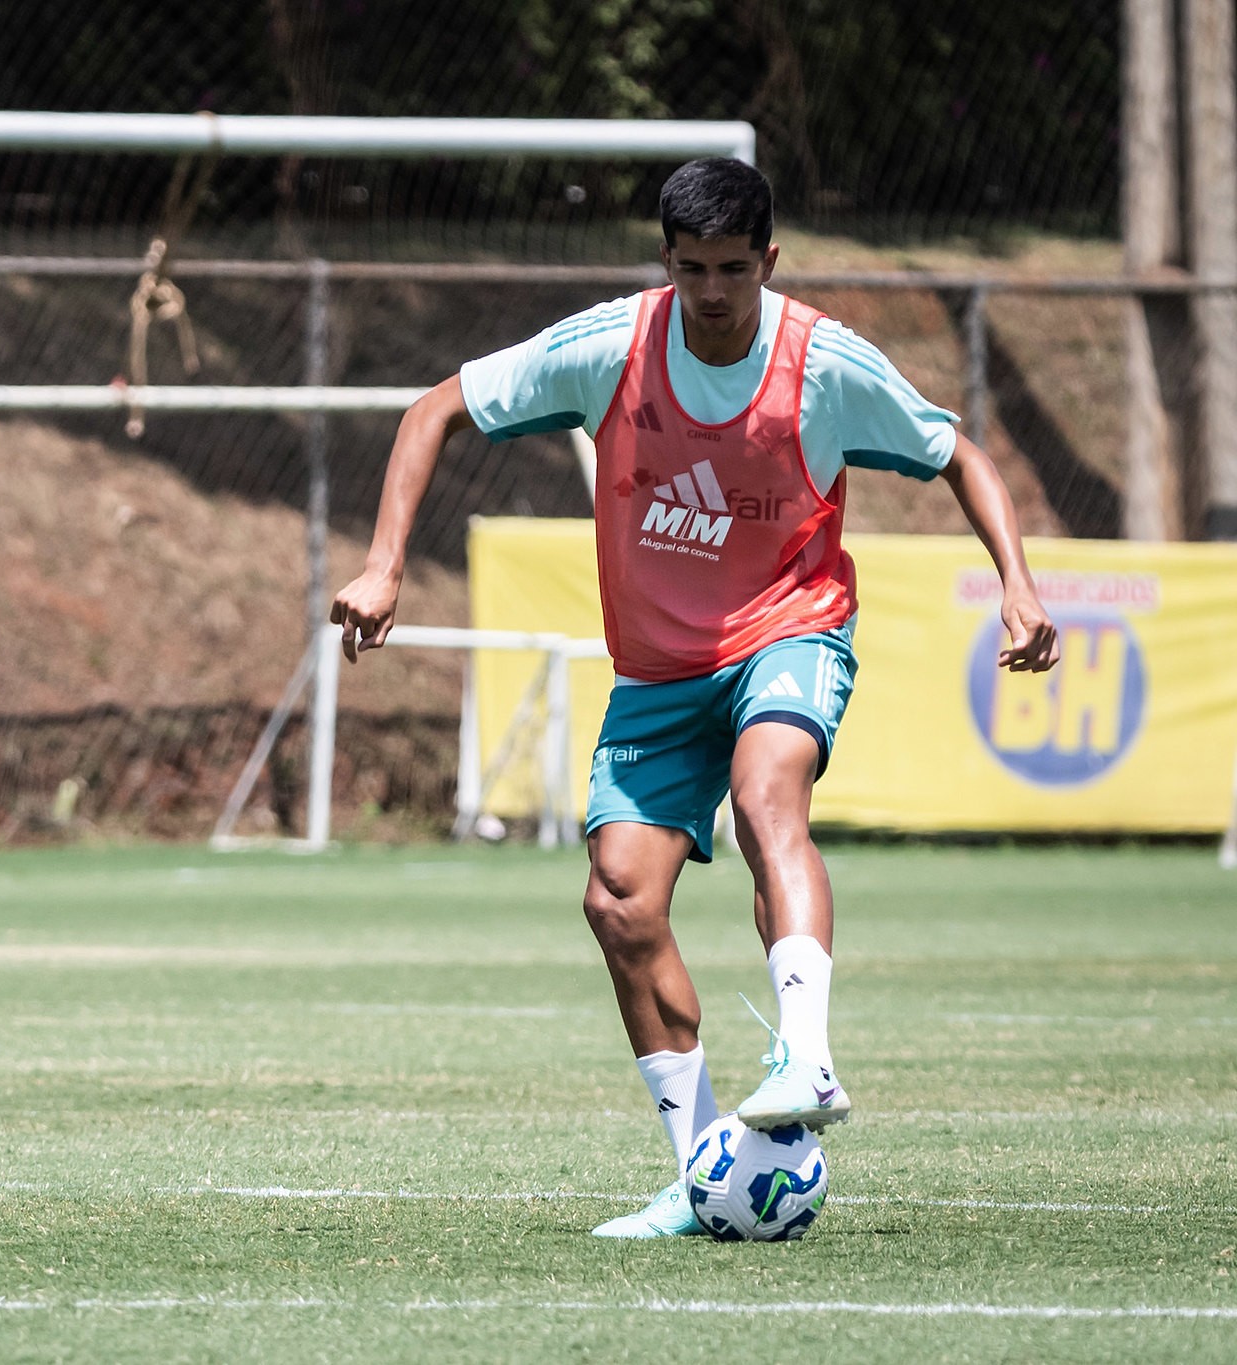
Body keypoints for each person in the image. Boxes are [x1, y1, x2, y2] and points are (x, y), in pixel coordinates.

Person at [329, 158, 1058, 1239]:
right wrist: (384, 564)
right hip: (659, 671)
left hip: (790, 629)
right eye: (691, 269)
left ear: (768, 260)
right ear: (665, 261)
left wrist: (1019, 586)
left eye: (732, 269)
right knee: (618, 900)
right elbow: (435, 407)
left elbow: (958, 454)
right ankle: (702, 1172)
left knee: (768, 796)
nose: (711, 292)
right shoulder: (611, 347)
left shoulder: (821, 363)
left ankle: (805, 1055)